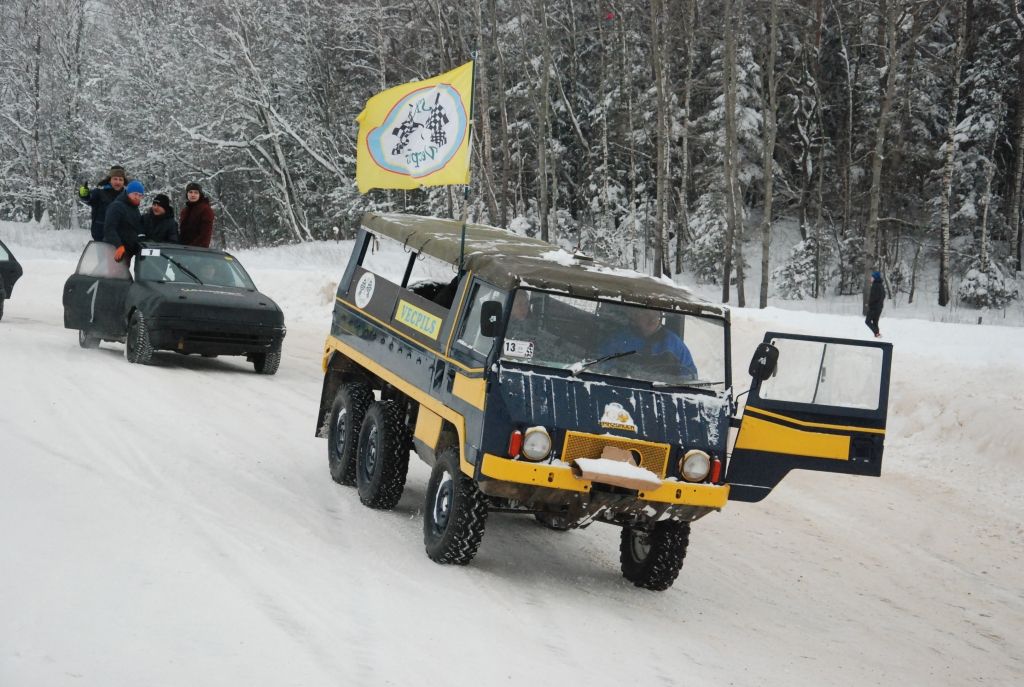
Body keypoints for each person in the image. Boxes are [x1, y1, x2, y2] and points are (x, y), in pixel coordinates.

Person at [601, 307, 698, 379]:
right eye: (646, 314)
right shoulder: (619, 340)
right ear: (634, 317)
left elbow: (690, 377)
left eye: (656, 314)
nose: (652, 319)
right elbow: (601, 368)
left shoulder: (674, 344)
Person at [77, 165, 127, 241]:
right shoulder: (100, 192)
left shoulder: (127, 196)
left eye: (120, 179)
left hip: (121, 238)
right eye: (115, 179)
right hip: (100, 236)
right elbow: (89, 198)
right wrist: (84, 194)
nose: (118, 182)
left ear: (124, 182)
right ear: (110, 180)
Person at [104, 180, 145, 263]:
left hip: (127, 252)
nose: (137, 197)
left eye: (140, 195)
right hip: (115, 250)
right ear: (128, 192)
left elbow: (134, 228)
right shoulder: (116, 206)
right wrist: (118, 245)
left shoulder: (134, 208)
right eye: (135, 194)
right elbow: (109, 229)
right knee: (113, 275)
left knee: (122, 275)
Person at [178, 182, 215, 248]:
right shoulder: (185, 211)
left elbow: (205, 235)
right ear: (187, 194)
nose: (193, 195)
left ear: (200, 194)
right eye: (190, 192)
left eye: (196, 192)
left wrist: (191, 248)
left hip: (198, 251)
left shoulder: (206, 210)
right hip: (183, 250)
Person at [865, 271, 885, 338]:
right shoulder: (881, 286)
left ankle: (876, 333)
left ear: (875, 278)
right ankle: (877, 335)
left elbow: (874, 297)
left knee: (867, 321)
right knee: (875, 322)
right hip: (879, 307)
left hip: (874, 307)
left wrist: (869, 304)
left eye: (872, 277)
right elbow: (883, 296)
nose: (871, 278)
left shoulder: (875, 285)